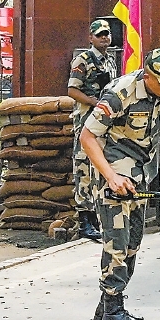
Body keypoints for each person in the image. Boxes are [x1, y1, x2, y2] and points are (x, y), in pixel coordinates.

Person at [80, 48, 160, 320]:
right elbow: (87, 136)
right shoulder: (120, 93)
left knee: (133, 242)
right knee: (118, 241)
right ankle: (113, 311)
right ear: (147, 76)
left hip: (141, 173)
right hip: (112, 171)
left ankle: (107, 302)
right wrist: (111, 176)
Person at [67, 19, 119, 241]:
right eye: (100, 35)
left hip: (104, 124)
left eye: (107, 34)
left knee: (100, 166)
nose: (104, 38)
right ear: (91, 38)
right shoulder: (83, 60)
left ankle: (98, 216)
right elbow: (72, 90)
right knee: (83, 167)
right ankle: (85, 221)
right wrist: (92, 102)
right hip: (87, 122)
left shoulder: (109, 61)